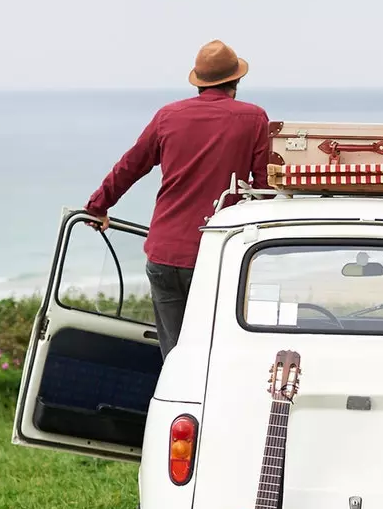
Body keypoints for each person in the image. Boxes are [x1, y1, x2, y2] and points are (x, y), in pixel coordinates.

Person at [85, 40, 271, 357]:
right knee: (216, 353)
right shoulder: (254, 119)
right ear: (236, 81)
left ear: (199, 82)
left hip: (164, 254)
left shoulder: (167, 116)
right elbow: (264, 187)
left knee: (174, 355)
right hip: (217, 253)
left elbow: (130, 166)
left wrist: (97, 207)